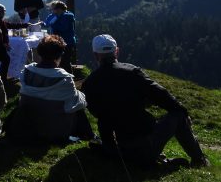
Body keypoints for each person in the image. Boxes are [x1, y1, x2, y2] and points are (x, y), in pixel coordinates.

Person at [84, 34, 210, 168]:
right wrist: (183, 111)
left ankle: (156, 160)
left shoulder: (90, 83)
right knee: (178, 115)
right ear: (117, 51)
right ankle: (199, 160)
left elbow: (99, 114)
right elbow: (161, 94)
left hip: (121, 149)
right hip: (146, 146)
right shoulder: (132, 72)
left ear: (96, 55)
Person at [6, 35, 96, 143]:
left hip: (29, 123)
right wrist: (81, 95)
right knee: (78, 106)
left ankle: (89, 135)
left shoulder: (26, 72)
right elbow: (78, 103)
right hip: (54, 129)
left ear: (40, 53)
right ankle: (89, 135)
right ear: (60, 55)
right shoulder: (64, 78)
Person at [40, 0, 77, 74]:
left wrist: (52, 24)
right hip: (58, 42)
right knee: (59, 62)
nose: (52, 11)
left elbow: (63, 28)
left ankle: (69, 78)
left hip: (68, 42)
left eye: (53, 9)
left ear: (59, 9)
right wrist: (42, 23)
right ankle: (62, 78)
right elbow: (47, 23)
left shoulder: (68, 16)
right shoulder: (54, 16)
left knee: (65, 62)